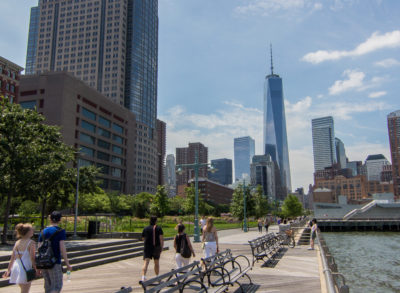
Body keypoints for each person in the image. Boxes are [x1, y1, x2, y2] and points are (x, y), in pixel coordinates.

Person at [39, 211, 72, 293]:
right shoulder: (60, 231)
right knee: (56, 286)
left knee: (47, 286)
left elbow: (39, 247)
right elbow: (62, 248)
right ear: (60, 220)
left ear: (50, 219)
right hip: (55, 261)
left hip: (44, 262)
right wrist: (67, 263)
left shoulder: (43, 231)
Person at [3, 223, 36, 293]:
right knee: (25, 290)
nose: (33, 231)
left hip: (16, 267)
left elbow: (12, 258)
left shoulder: (17, 242)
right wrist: (36, 268)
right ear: (27, 232)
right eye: (31, 230)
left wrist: (8, 270)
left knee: (23, 290)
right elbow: (32, 257)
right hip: (26, 268)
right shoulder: (31, 243)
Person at [141, 216, 164, 282]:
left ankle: (143, 277)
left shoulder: (145, 228)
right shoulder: (159, 228)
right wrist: (161, 248)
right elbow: (161, 239)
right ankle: (157, 277)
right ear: (156, 221)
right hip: (156, 247)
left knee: (146, 262)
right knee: (156, 263)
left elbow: (143, 238)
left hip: (147, 247)